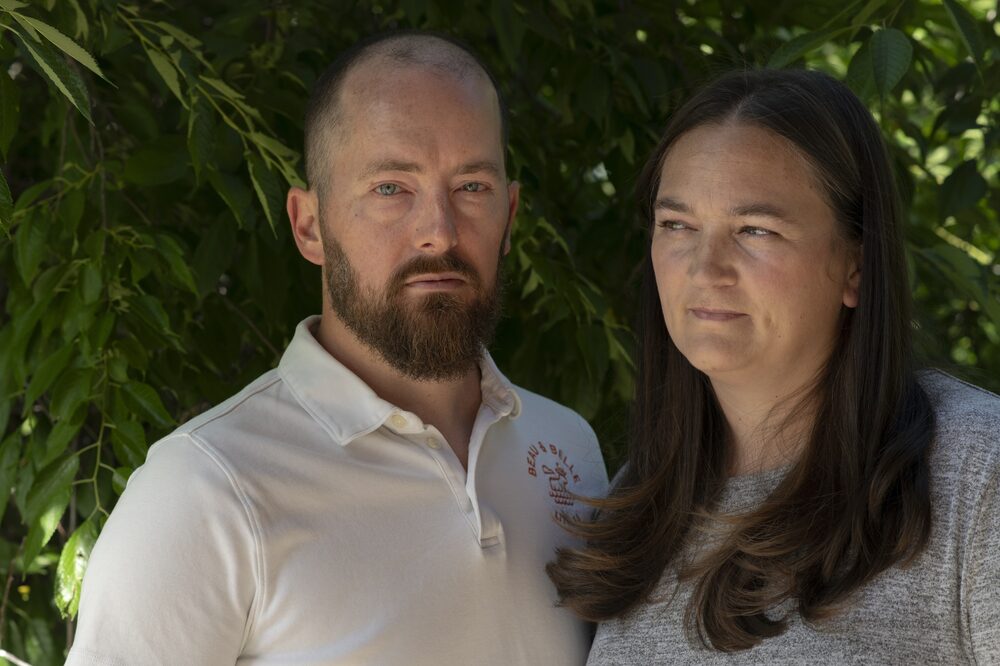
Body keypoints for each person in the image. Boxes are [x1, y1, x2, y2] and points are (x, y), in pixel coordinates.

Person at [67, 31, 607, 665]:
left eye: (471, 187)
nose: (439, 232)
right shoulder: (205, 490)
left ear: (509, 215)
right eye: (390, 188)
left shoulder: (568, 449)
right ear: (309, 225)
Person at [548, 69, 1000, 664]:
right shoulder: (639, 503)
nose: (705, 269)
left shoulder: (978, 474)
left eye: (755, 230)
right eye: (677, 225)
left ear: (857, 266)